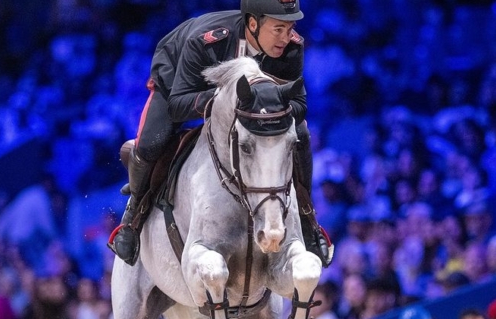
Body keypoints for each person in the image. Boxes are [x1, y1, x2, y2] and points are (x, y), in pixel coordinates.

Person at [107, 0, 330, 268]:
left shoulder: (291, 47)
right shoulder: (208, 41)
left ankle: (308, 220)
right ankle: (132, 219)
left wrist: (265, 105)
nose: (285, 37)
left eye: (290, 27)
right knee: (151, 145)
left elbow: (300, 106)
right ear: (252, 24)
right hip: (179, 81)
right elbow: (178, 106)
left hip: (252, 106)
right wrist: (225, 99)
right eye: (278, 29)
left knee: (300, 134)